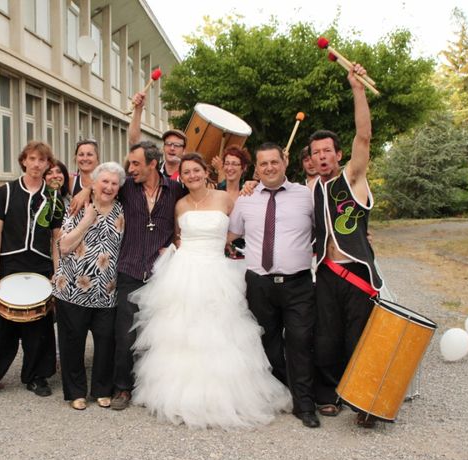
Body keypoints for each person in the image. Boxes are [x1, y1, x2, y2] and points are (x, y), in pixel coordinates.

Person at [130, 153, 291, 428]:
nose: (192, 175)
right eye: (187, 172)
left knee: (218, 333)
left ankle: (222, 396)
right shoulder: (179, 204)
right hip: (183, 271)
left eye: (196, 170)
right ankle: (180, 395)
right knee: (182, 333)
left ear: (206, 172)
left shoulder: (226, 199)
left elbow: (244, 226)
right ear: (182, 176)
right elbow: (177, 238)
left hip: (217, 270)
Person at [309, 64, 382, 428]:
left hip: (356, 273)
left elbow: (364, 137)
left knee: (359, 338)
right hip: (325, 272)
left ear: (338, 155)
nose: (322, 157)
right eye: (316, 153)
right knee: (326, 337)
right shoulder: (311, 188)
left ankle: (366, 400)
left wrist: (357, 89)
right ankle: (330, 393)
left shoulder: (352, 179)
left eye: (328, 151)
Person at [228, 142, 320, 428]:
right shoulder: (246, 198)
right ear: (256, 168)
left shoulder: (306, 196)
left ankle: (304, 405)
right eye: (263, 163)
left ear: (284, 162)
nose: (269, 167)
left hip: (298, 283)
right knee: (267, 343)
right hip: (259, 284)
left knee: (300, 342)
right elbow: (231, 233)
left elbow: (324, 229)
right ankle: (281, 391)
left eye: (274, 162)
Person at [0, 141, 63, 401]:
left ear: (47, 164)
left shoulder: (52, 198)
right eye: (31, 159)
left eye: (41, 160)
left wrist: (57, 271)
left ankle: (37, 376)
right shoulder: (6, 192)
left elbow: (56, 238)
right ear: (24, 161)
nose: (36, 164)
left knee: (39, 324)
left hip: (40, 266)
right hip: (10, 265)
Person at [110, 141, 185, 410]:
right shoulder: (126, 187)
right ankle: (122, 389)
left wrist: (177, 246)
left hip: (161, 273)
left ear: (153, 164)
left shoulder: (176, 189)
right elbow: (100, 192)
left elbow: (194, 212)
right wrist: (84, 194)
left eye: (136, 164)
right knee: (125, 334)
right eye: (130, 163)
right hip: (129, 268)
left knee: (159, 335)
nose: (130, 168)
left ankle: (154, 389)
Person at [53, 162, 125, 410]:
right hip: (72, 289)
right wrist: (87, 221)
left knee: (106, 342)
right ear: (93, 183)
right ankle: (76, 392)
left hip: (107, 292)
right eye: (104, 181)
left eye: (114, 183)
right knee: (72, 342)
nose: (109, 187)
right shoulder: (78, 207)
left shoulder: (122, 211)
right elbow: (63, 246)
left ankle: (102, 389)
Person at [128, 91, 186, 180]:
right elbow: (134, 142)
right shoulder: (153, 169)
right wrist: (138, 109)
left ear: (184, 150)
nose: (172, 148)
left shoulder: (189, 175)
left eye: (177, 145)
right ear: (163, 147)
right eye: (168, 144)